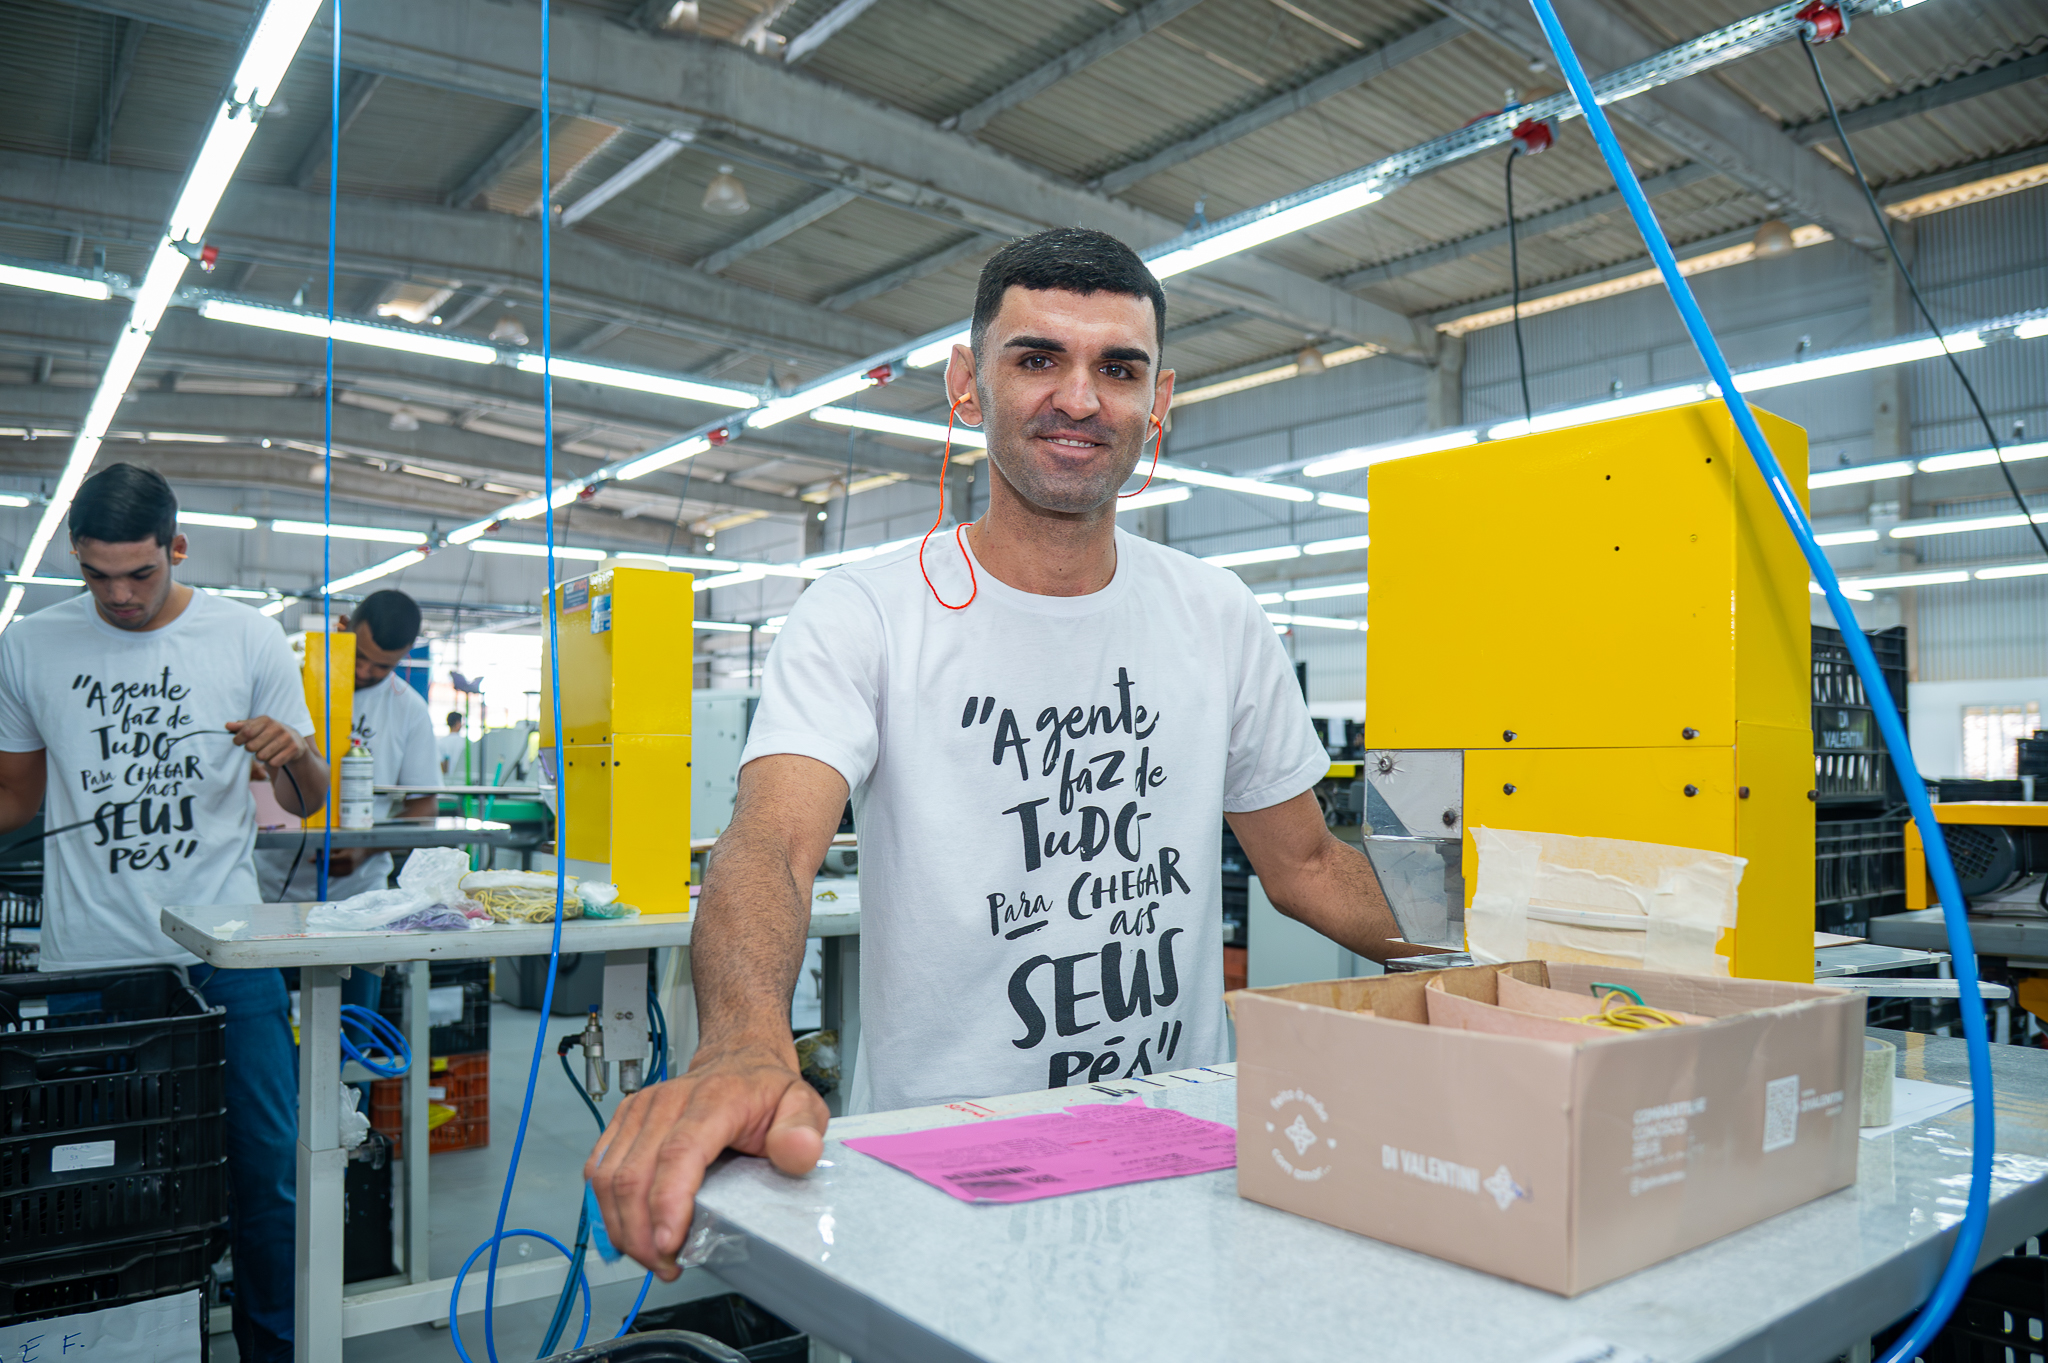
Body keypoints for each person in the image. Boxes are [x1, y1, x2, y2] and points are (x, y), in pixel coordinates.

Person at [587, 229, 1421, 1277]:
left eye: (1116, 369)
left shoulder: (1216, 614)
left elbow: (1303, 866)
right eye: (1036, 359)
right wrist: (745, 1043)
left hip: (1181, 1154)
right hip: (946, 1170)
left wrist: (1496, 951)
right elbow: (771, 844)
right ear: (965, 384)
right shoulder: (867, 613)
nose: (1078, 398)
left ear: (1157, 402)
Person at [0, 463, 326, 1363]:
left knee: (266, 1178)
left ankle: (271, 1351)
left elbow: (305, 801)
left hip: (228, 960)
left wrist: (292, 752)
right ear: (76, 558)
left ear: (176, 549)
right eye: (97, 575)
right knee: (98, 1184)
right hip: (89, 970)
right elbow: (15, 800)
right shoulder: (30, 644)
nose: (119, 596)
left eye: (140, 574)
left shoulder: (248, 637)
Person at [256, 590, 437, 904]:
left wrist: (366, 848)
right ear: (343, 627)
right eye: (360, 657)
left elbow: (424, 806)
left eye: (382, 666)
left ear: (406, 652)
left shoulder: (409, 709)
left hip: (360, 893)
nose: (364, 672)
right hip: (269, 882)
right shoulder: (289, 683)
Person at [438, 710, 468, 781]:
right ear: (458, 724)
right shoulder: (466, 742)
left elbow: (441, 765)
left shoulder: (441, 742)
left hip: (446, 781)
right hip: (463, 780)